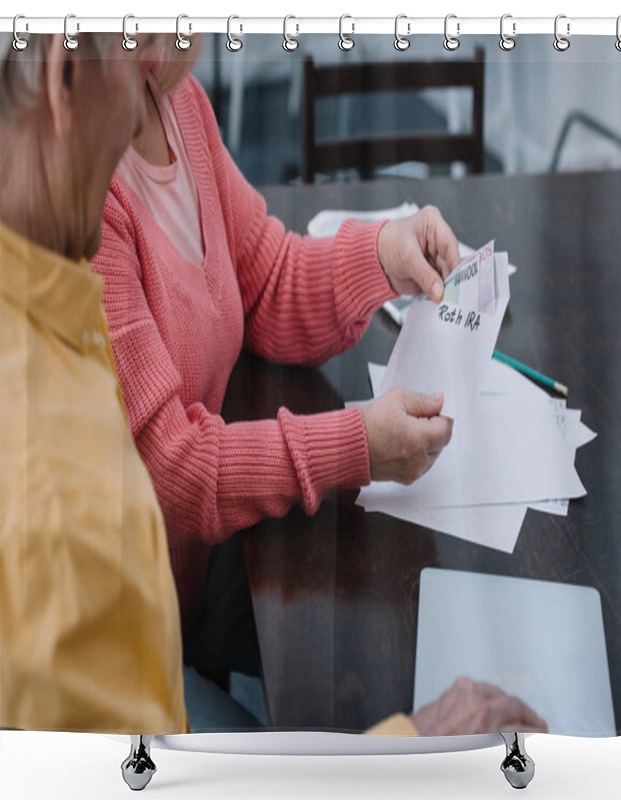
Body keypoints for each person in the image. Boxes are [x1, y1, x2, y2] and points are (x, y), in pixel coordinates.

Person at [91, 44, 458, 703]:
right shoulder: (81, 194)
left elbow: (263, 280)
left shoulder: (178, 102)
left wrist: (382, 254)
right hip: (125, 636)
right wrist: (357, 446)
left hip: (200, 566)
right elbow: (170, 473)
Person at [0, 32, 187, 733]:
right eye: (135, 42)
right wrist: (413, 757)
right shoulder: (66, 522)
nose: (151, 91)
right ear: (63, 71)